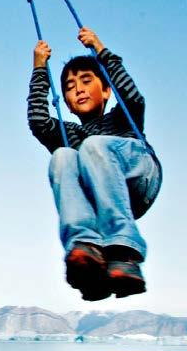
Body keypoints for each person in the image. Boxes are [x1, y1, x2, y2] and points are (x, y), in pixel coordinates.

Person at [28, 27, 161, 301]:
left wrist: (99, 49)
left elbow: (131, 95)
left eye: (86, 80)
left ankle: (124, 251)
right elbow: (39, 121)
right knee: (62, 156)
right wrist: (39, 67)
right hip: (105, 196)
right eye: (69, 87)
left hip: (139, 178)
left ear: (106, 90)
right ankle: (87, 253)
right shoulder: (70, 134)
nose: (77, 88)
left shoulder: (123, 116)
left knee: (93, 145)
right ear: (66, 101)